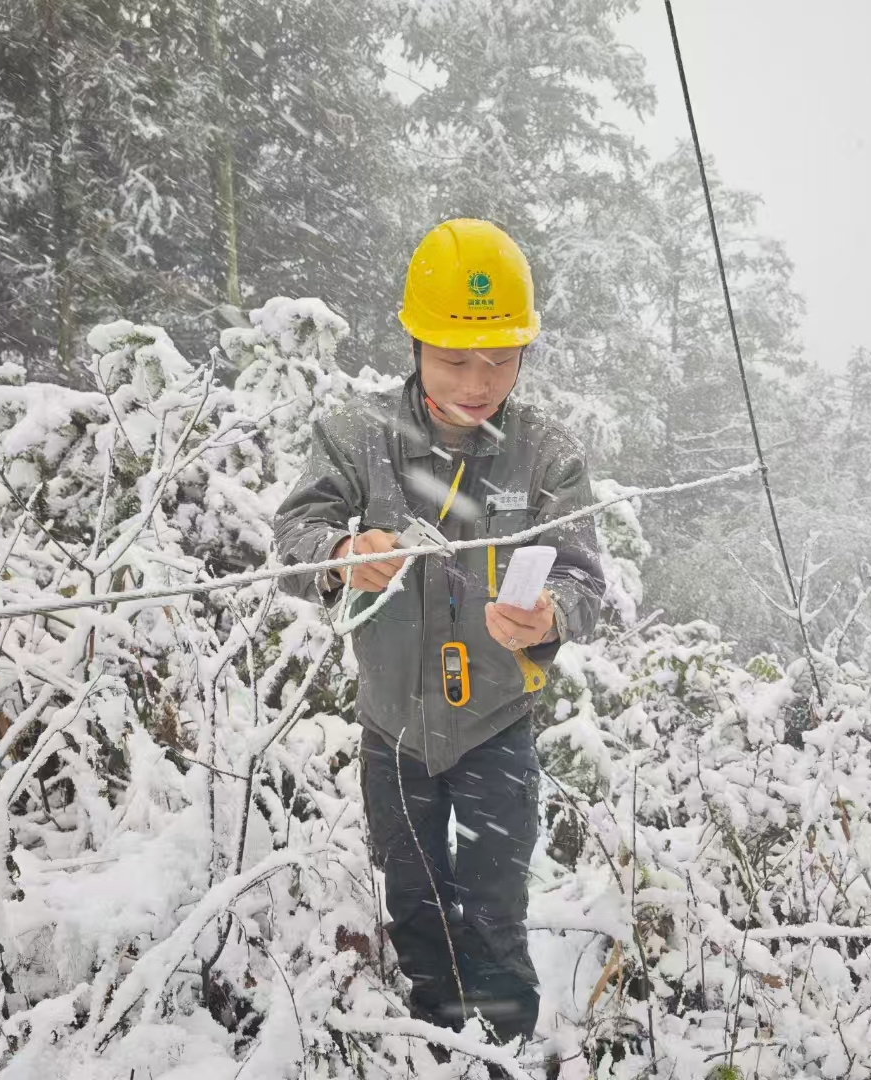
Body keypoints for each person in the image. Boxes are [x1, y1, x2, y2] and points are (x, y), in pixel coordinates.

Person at [273, 218, 605, 1051]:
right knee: (416, 900)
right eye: (456, 357)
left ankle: (511, 1054)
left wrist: (551, 615)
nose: (478, 379)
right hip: (393, 727)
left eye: (500, 357)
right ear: (415, 342)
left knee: (495, 907)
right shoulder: (358, 435)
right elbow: (292, 538)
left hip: (497, 723)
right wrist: (344, 555)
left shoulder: (547, 454)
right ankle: (436, 1043)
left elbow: (585, 579)